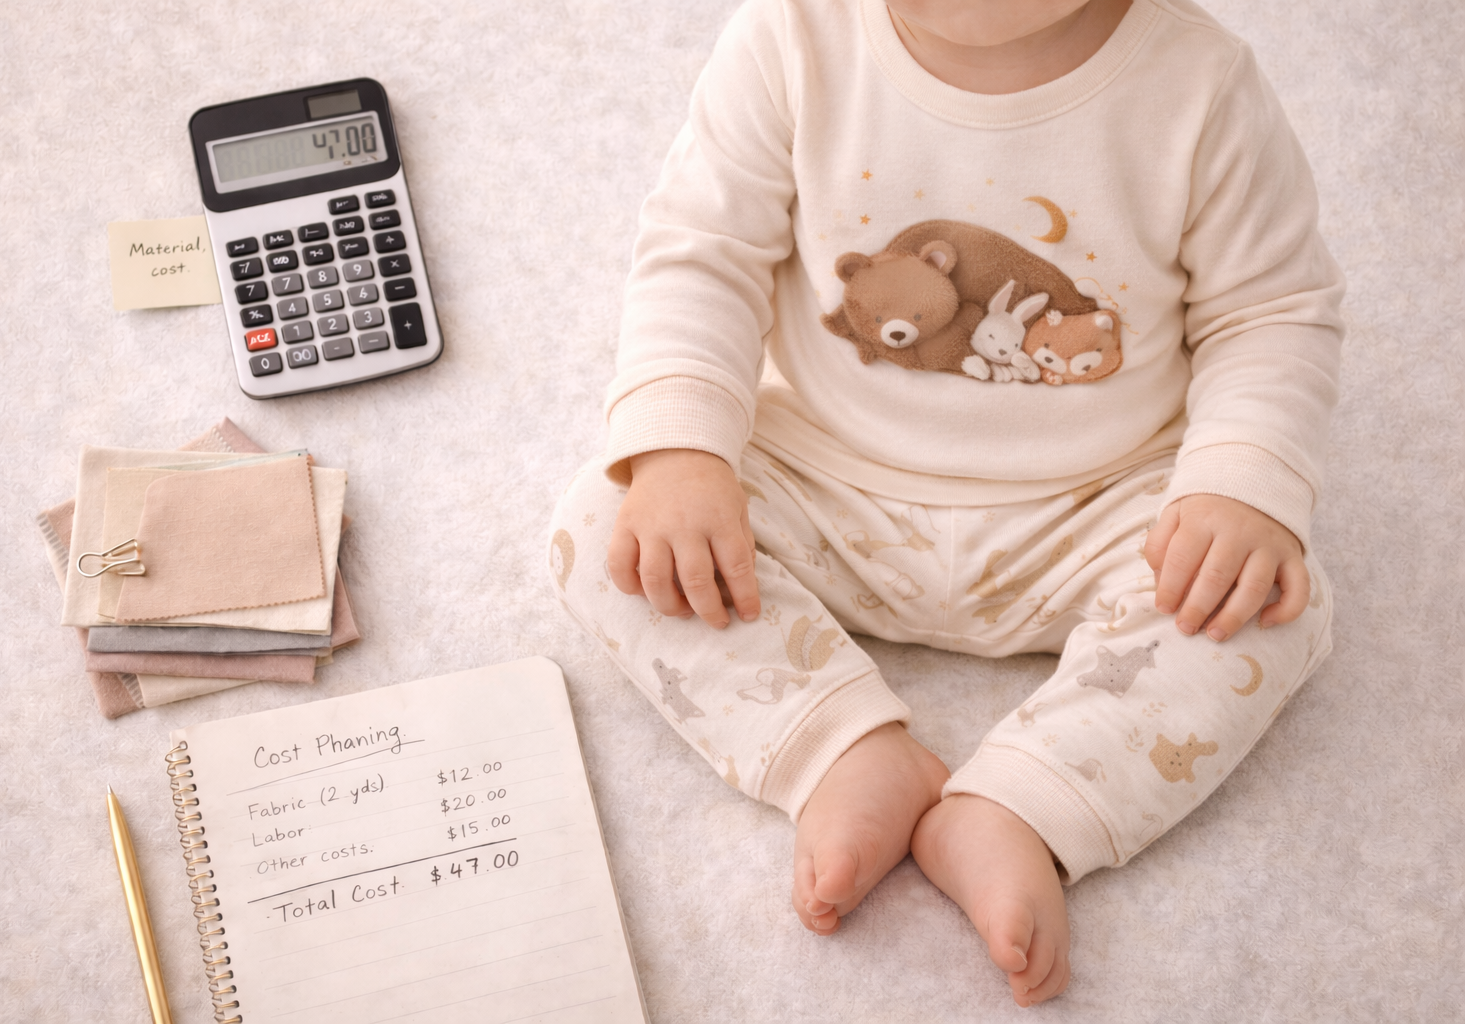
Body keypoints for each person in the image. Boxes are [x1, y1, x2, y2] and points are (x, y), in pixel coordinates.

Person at [549, 0, 1341, 1005]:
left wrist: (1240, 482)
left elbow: (1270, 312)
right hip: (832, 478)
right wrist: (681, 450)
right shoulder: (792, 38)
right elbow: (703, 252)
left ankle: (1023, 802)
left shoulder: (1201, 85)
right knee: (604, 519)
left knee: (1275, 600)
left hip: (1094, 503)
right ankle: (842, 748)